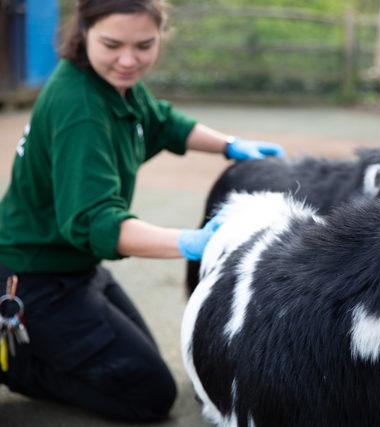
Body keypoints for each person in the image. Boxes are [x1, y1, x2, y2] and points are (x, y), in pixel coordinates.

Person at [0, 0, 284, 421]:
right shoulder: (80, 109)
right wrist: (193, 243)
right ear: (84, 31)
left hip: (79, 270)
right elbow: (96, 222)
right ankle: (14, 361)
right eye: (112, 44)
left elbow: (162, 121)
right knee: (147, 394)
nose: (129, 60)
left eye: (144, 45)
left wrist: (230, 145)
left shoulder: (113, 83)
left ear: (160, 36)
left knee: (139, 363)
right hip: (35, 277)